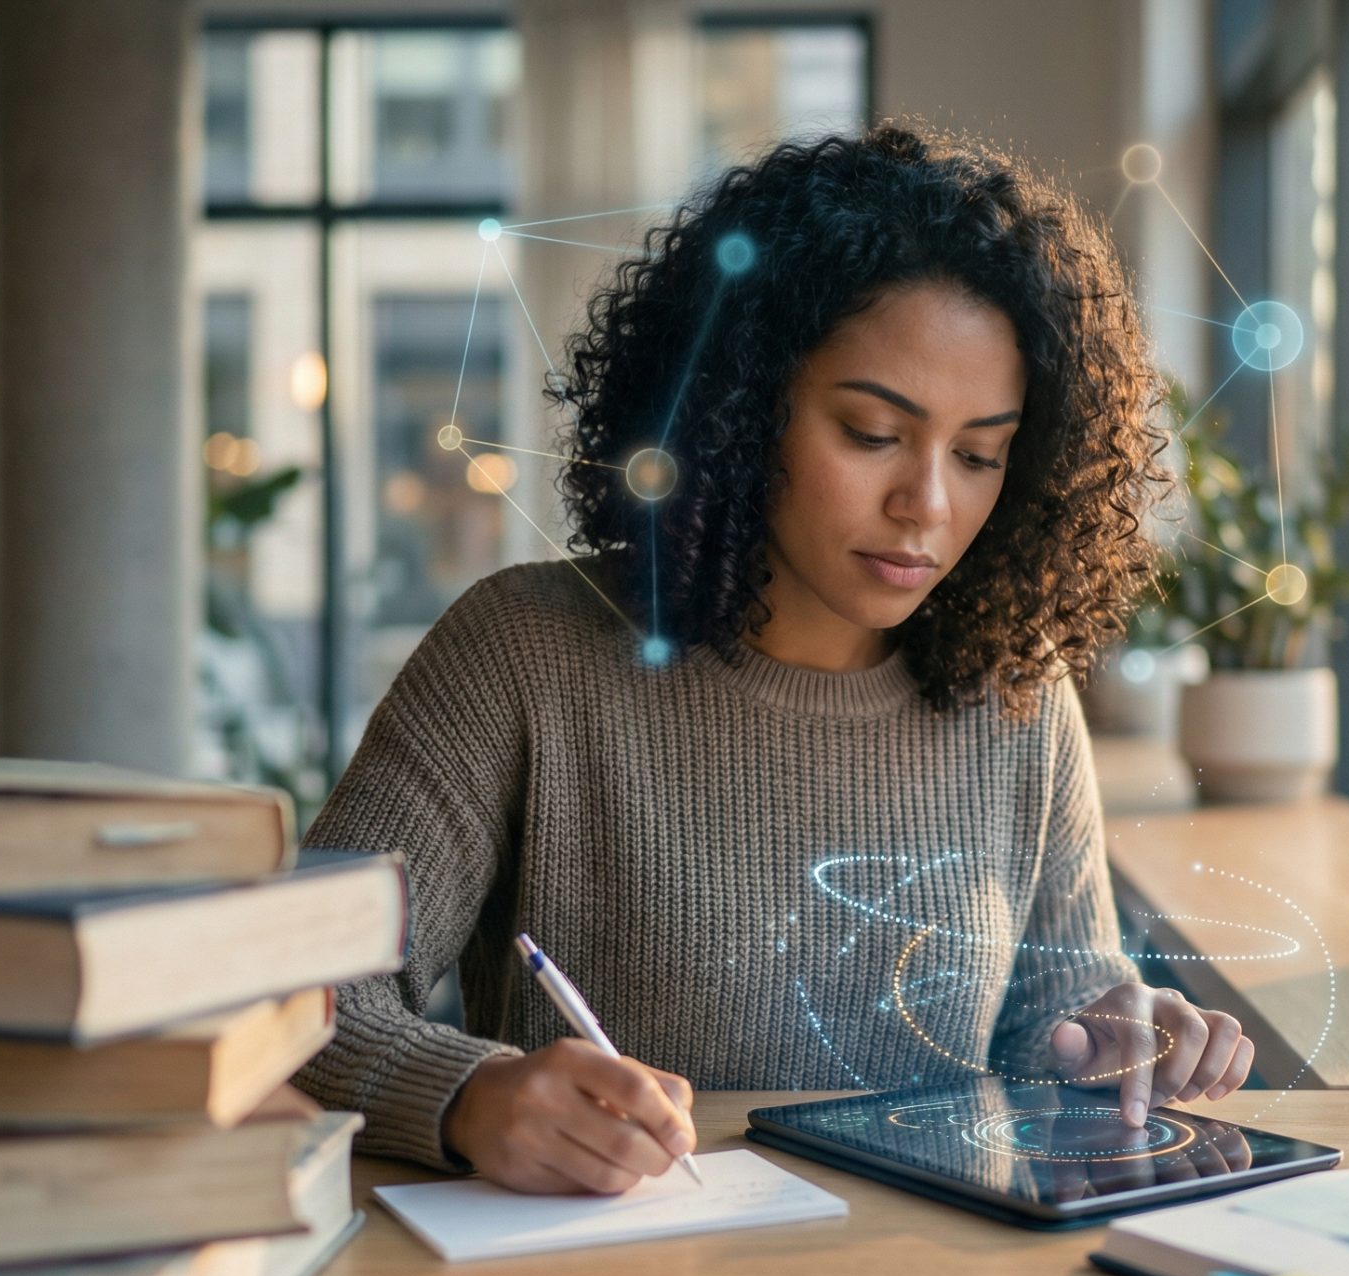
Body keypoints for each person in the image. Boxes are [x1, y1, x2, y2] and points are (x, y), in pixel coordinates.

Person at [298, 123, 1255, 1195]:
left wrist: (1118, 1036)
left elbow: (1058, 1017)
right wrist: (468, 1096)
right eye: (870, 433)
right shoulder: (523, 652)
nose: (927, 506)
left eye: (979, 454)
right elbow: (296, 986)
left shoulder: (1016, 695)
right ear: (736, 414)